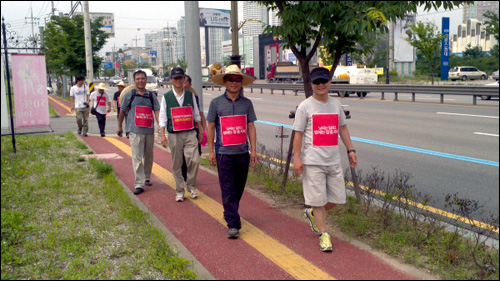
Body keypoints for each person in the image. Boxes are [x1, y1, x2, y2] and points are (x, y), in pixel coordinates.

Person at [292, 67, 358, 252]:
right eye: (316, 82)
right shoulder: (305, 106)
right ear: (311, 84)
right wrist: (297, 159)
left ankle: (313, 213)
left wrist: (350, 150)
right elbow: (298, 135)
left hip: (333, 160)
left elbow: (343, 129)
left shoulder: (336, 104)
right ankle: (324, 234)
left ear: (329, 83)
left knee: (337, 199)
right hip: (313, 162)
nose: (321, 85)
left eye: (324, 81)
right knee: (318, 200)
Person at [207, 65, 257, 239]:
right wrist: (211, 151)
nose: (234, 83)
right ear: (224, 82)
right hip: (223, 154)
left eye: (237, 80)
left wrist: (254, 150)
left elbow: (251, 126)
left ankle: (230, 211)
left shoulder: (247, 104)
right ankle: (233, 223)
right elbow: (211, 126)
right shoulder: (216, 103)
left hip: (242, 153)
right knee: (228, 188)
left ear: (241, 82)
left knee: (238, 188)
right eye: (230, 80)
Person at [159, 68, 204, 202]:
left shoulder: (191, 96)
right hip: (174, 134)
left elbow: (197, 115)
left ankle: (191, 185)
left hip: (190, 133)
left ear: (184, 79)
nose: (179, 80)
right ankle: (180, 190)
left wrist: (200, 131)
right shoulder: (166, 97)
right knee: (177, 164)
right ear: (171, 80)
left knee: (194, 160)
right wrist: (162, 135)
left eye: (181, 78)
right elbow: (162, 118)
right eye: (176, 78)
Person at [117, 70, 161, 195]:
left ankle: (146, 177)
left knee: (149, 156)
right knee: (137, 157)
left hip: (149, 131)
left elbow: (157, 110)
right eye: (138, 79)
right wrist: (119, 126)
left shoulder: (151, 96)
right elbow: (122, 111)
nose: (140, 81)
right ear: (134, 81)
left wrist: (159, 125)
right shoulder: (129, 95)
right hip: (135, 131)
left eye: (142, 78)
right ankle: (139, 184)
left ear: (146, 80)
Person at [180, 74, 208, 182]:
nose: (183, 84)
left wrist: (203, 130)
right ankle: (185, 175)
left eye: (185, 82)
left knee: (196, 155)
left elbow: (199, 114)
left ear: (190, 84)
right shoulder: (172, 97)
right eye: (181, 82)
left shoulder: (194, 97)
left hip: (193, 130)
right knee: (182, 155)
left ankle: (190, 175)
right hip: (180, 131)